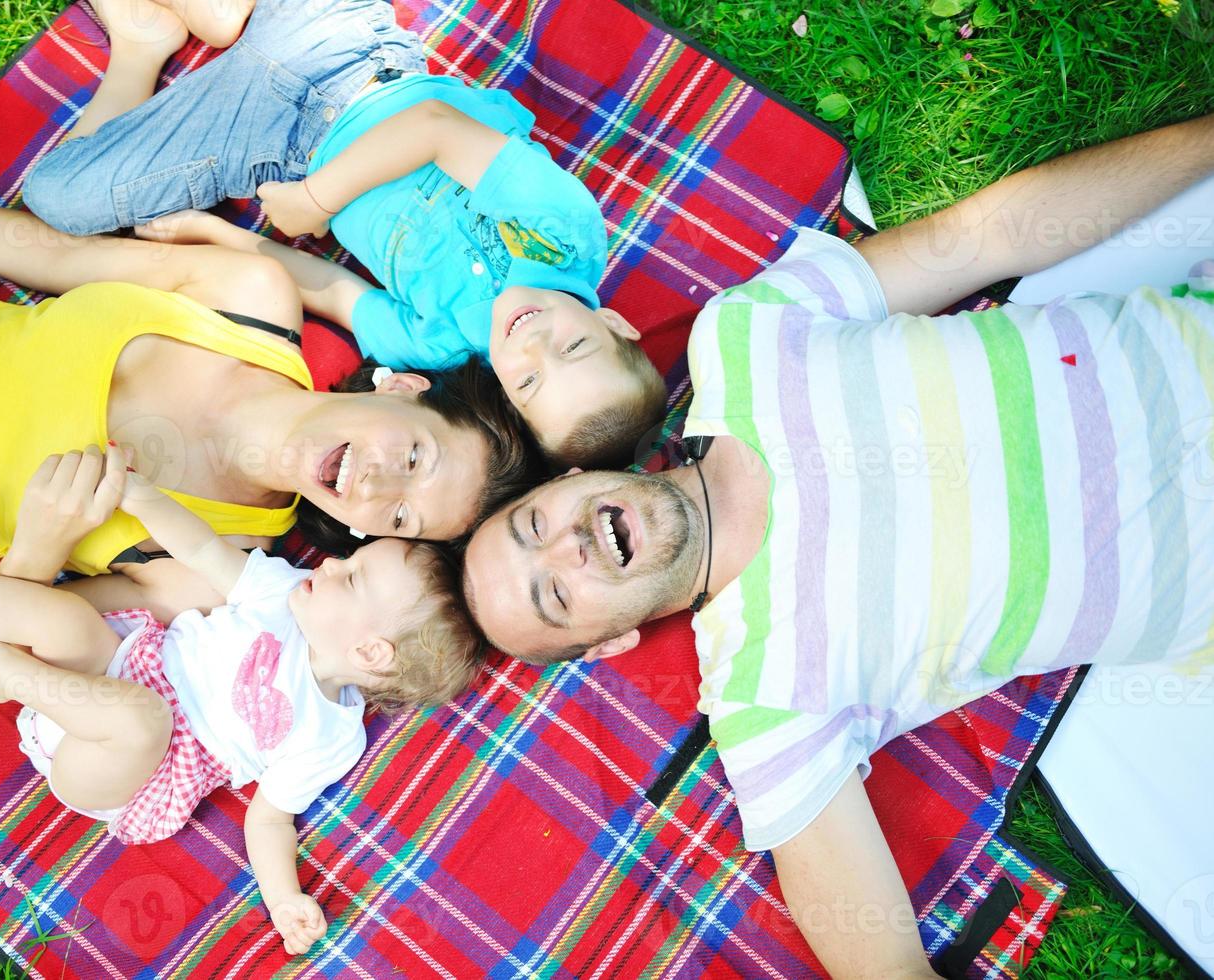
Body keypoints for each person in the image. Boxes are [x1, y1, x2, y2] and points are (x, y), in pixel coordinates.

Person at [460, 113, 1214, 977]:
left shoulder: (742, 336)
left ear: (561, 484)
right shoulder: (766, 702)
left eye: (533, 528)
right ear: (611, 641)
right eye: (553, 594)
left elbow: (983, 237)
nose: (568, 551)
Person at [0, 179, 544, 589]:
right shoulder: (252, 301)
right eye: (411, 456)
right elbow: (53, 261)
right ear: (403, 389)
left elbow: (23, 636)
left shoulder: (226, 554)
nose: (374, 485)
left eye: (400, 516)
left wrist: (36, 552)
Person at [0, 444, 485, 956]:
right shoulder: (284, 592)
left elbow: (270, 818)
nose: (327, 564)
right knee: (70, 621)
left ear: (371, 654)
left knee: (142, 718)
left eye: (349, 577)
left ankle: (9, 676)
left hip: (132, 769)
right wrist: (140, 496)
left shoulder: (331, 735)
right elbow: (201, 551)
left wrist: (284, 897)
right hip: (122, 666)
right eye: (348, 557)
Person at [20, 0, 666, 469]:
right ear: (615, 324)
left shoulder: (445, 345)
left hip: (272, 146)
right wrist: (314, 202)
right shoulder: (565, 234)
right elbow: (435, 127)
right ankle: (218, 19)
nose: (533, 344)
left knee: (59, 199)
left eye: (527, 382)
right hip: (348, 61)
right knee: (235, 18)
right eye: (575, 346)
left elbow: (327, 289)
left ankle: (140, 45)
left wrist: (204, 232)